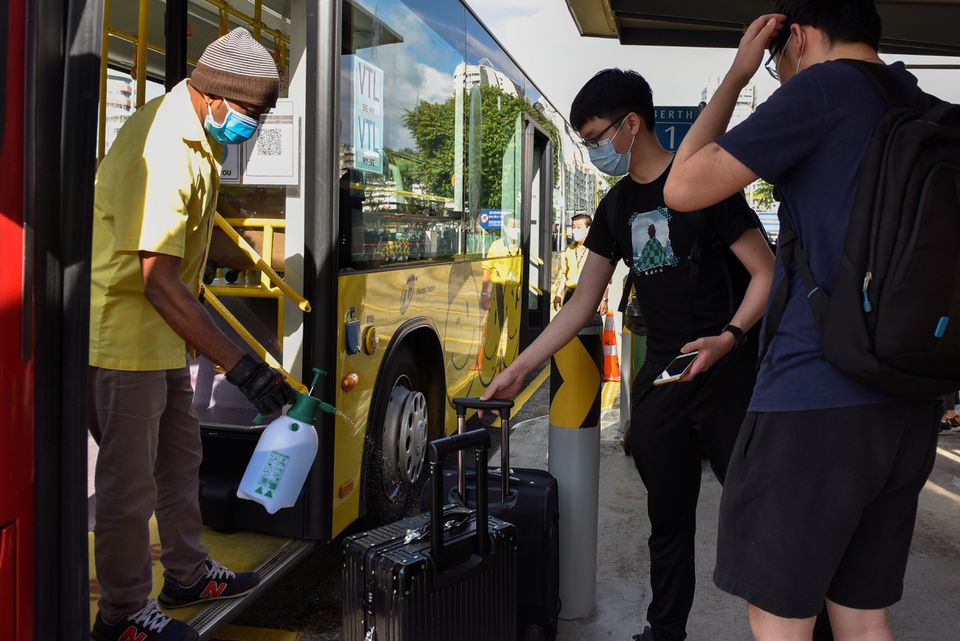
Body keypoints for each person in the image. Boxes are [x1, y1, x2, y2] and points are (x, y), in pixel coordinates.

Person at [664, 2, 943, 640]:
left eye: (775, 60)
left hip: (813, 398)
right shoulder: (919, 103)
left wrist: (735, 76)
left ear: (798, 37)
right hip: (907, 402)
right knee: (863, 617)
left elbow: (683, 187)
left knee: (780, 618)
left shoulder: (824, 88)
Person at [482, 68, 775, 641]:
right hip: (665, 381)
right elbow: (579, 305)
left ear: (630, 124)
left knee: (762, 519)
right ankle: (664, 631)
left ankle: (799, 627)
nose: (593, 150)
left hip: (730, 376)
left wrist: (731, 338)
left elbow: (767, 272)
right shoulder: (616, 208)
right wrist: (521, 367)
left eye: (595, 138)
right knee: (667, 522)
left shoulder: (707, 187)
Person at [89, 28, 296, 641]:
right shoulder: (164, 145)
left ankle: (185, 572)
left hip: (162, 339)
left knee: (180, 460)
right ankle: (122, 615)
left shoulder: (197, 134)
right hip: (126, 337)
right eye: (252, 113)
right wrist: (244, 367)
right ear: (217, 95)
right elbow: (156, 280)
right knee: (128, 489)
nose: (253, 128)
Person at [552, 214, 609, 314]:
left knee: (588, 327)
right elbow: (565, 274)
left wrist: (604, 299)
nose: (575, 231)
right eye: (573, 227)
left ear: (589, 229)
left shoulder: (595, 250)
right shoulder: (569, 249)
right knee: (569, 326)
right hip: (571, 295)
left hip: (590, 295)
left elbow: (604, 278)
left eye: (579, 227)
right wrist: (558, 294)